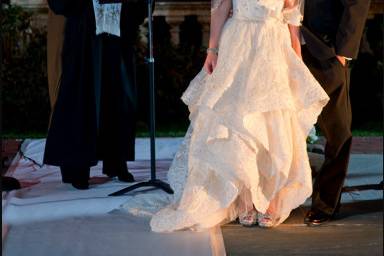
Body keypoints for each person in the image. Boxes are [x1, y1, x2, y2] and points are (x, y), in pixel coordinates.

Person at [122, 0, 329, 231]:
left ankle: (269, 201)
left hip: (273, 46)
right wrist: (212, 50)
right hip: (238, 45)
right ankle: (246, 201)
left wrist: (297, 57)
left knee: (272, 123)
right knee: (236, 123)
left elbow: (291, 13)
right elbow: (220, 9)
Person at [44, 0, 147, 189]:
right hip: (83, 31)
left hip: (117, 28)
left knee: (118, 95)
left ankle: (116, 160)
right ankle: (77, 166)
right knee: (81, 95)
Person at [301, 0, 371, 226]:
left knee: (337, 128)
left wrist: (343, 51)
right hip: (277, 45)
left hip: (324, 49)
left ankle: (325, 203)